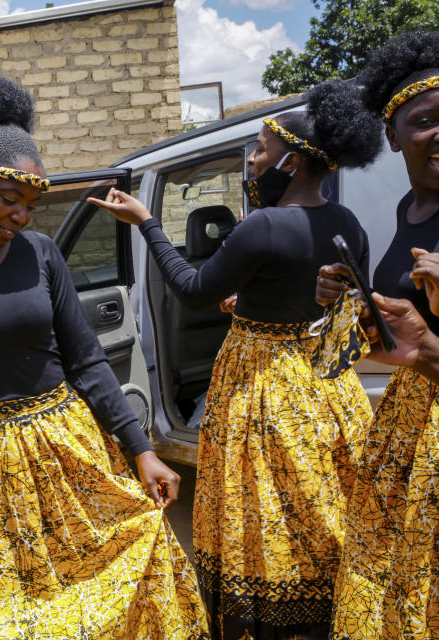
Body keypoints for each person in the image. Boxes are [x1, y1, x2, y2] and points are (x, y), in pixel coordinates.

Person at [0, 73, 209, 640]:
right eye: (10, 199)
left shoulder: (42, 254)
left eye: (31, 203)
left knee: (104, 595)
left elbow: (87, 361)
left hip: (65, 449)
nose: (22, 216)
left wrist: (141, 450)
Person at [90, 80, 383, 639]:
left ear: (291, 161)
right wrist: (247, 301)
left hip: (263, 389)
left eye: (260, 150)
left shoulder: (263, 226)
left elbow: (192, 288)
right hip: (325, 390)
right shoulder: (347, 224)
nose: (252, 159)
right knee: (320, 505)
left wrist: (148, 225)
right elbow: (317, 301)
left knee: (263, 508)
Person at [313, 30, 439, 640]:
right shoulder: (412, 207)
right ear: (392, 135)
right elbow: (407, 317)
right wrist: (351, 296)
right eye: (426, 121)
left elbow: (438, 317)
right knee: (401, 582)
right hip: (413, 414)